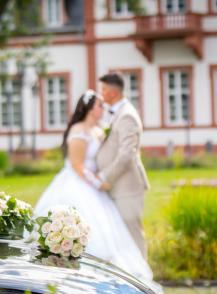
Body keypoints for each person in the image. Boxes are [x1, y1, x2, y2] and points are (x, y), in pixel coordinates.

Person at [35, 89, 153, 280]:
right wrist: (97, 182)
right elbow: (77, 165)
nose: (103, 109)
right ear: (90, 109)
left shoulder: (99, 130)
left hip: (96, 183)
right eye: (100, 105)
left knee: (109, 227)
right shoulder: (78, 131)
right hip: (78, 182)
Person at [96, 73, 150, 259]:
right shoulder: (115, 114)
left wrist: (105, 177)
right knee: (121, 235)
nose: (101, 94)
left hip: (128, 187)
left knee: (133, 233)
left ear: (112, 92)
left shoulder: (127, 116)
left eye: (102, 90)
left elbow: (127, 155)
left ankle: (143, 279)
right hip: (118, 187)